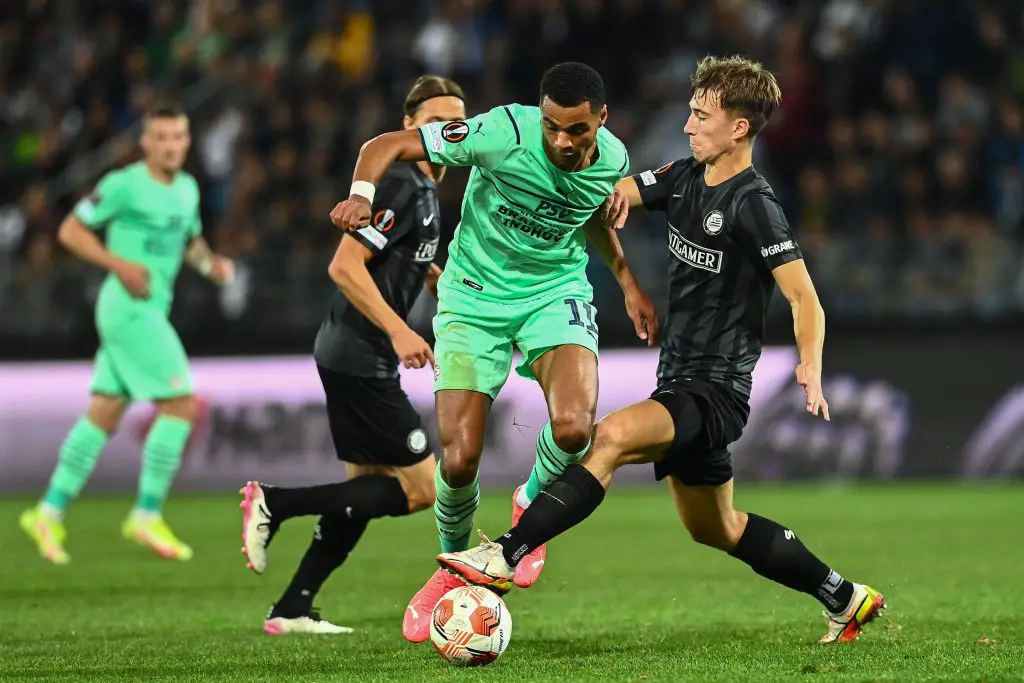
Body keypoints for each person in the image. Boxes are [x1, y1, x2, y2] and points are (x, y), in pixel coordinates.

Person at [437, 55, 887, 645]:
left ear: (739, 129)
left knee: (608, 440)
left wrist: (810, 365)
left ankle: (507, 553)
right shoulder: (684, 177)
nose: (687, 125)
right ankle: (845, 597)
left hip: (716, 388)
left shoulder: (754, 204)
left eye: (701, 116)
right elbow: (616, 189)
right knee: (717, 527)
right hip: (677, 378)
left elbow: (804, 298)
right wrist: (597, 202)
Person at [329, 61, 657, 643]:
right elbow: (386, 144)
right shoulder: (501, 130)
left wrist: (627, 281)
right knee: (456, 461)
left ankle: (532, 502)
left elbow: (588, 215)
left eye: (576, 130)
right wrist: (361, 195)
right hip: (473, 298)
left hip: (554, 293)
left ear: (600, 121)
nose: (562, 141)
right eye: (553, 127)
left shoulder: (615, 158)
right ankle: (453, 570)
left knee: (576, 427)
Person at [238, 76, 465, 635]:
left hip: (351, 352)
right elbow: (344, 265)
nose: (447, 132)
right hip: (360, 353)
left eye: (455, 122)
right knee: (422, 490)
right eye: (433, 121)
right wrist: (399, 332)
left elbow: (392, 254)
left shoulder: (427, 191)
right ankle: (275, 501)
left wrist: (426, 272)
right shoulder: (403, 186)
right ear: (409, 128)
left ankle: (293, 606)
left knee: (362, 491)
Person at [19, 102, 234, 564]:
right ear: (146, 142)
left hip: (151, 309)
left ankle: (47, 511)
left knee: (105, 412)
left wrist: (211, 265)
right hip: (128, 309)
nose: (171, 145)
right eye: (162, 138)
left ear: (187, 141)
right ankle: (146, 513)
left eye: (178, 137)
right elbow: (70, 229)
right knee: (180, 403)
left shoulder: (188, 190)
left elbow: (190, 242)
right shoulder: (123, 184)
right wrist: (117, 264)